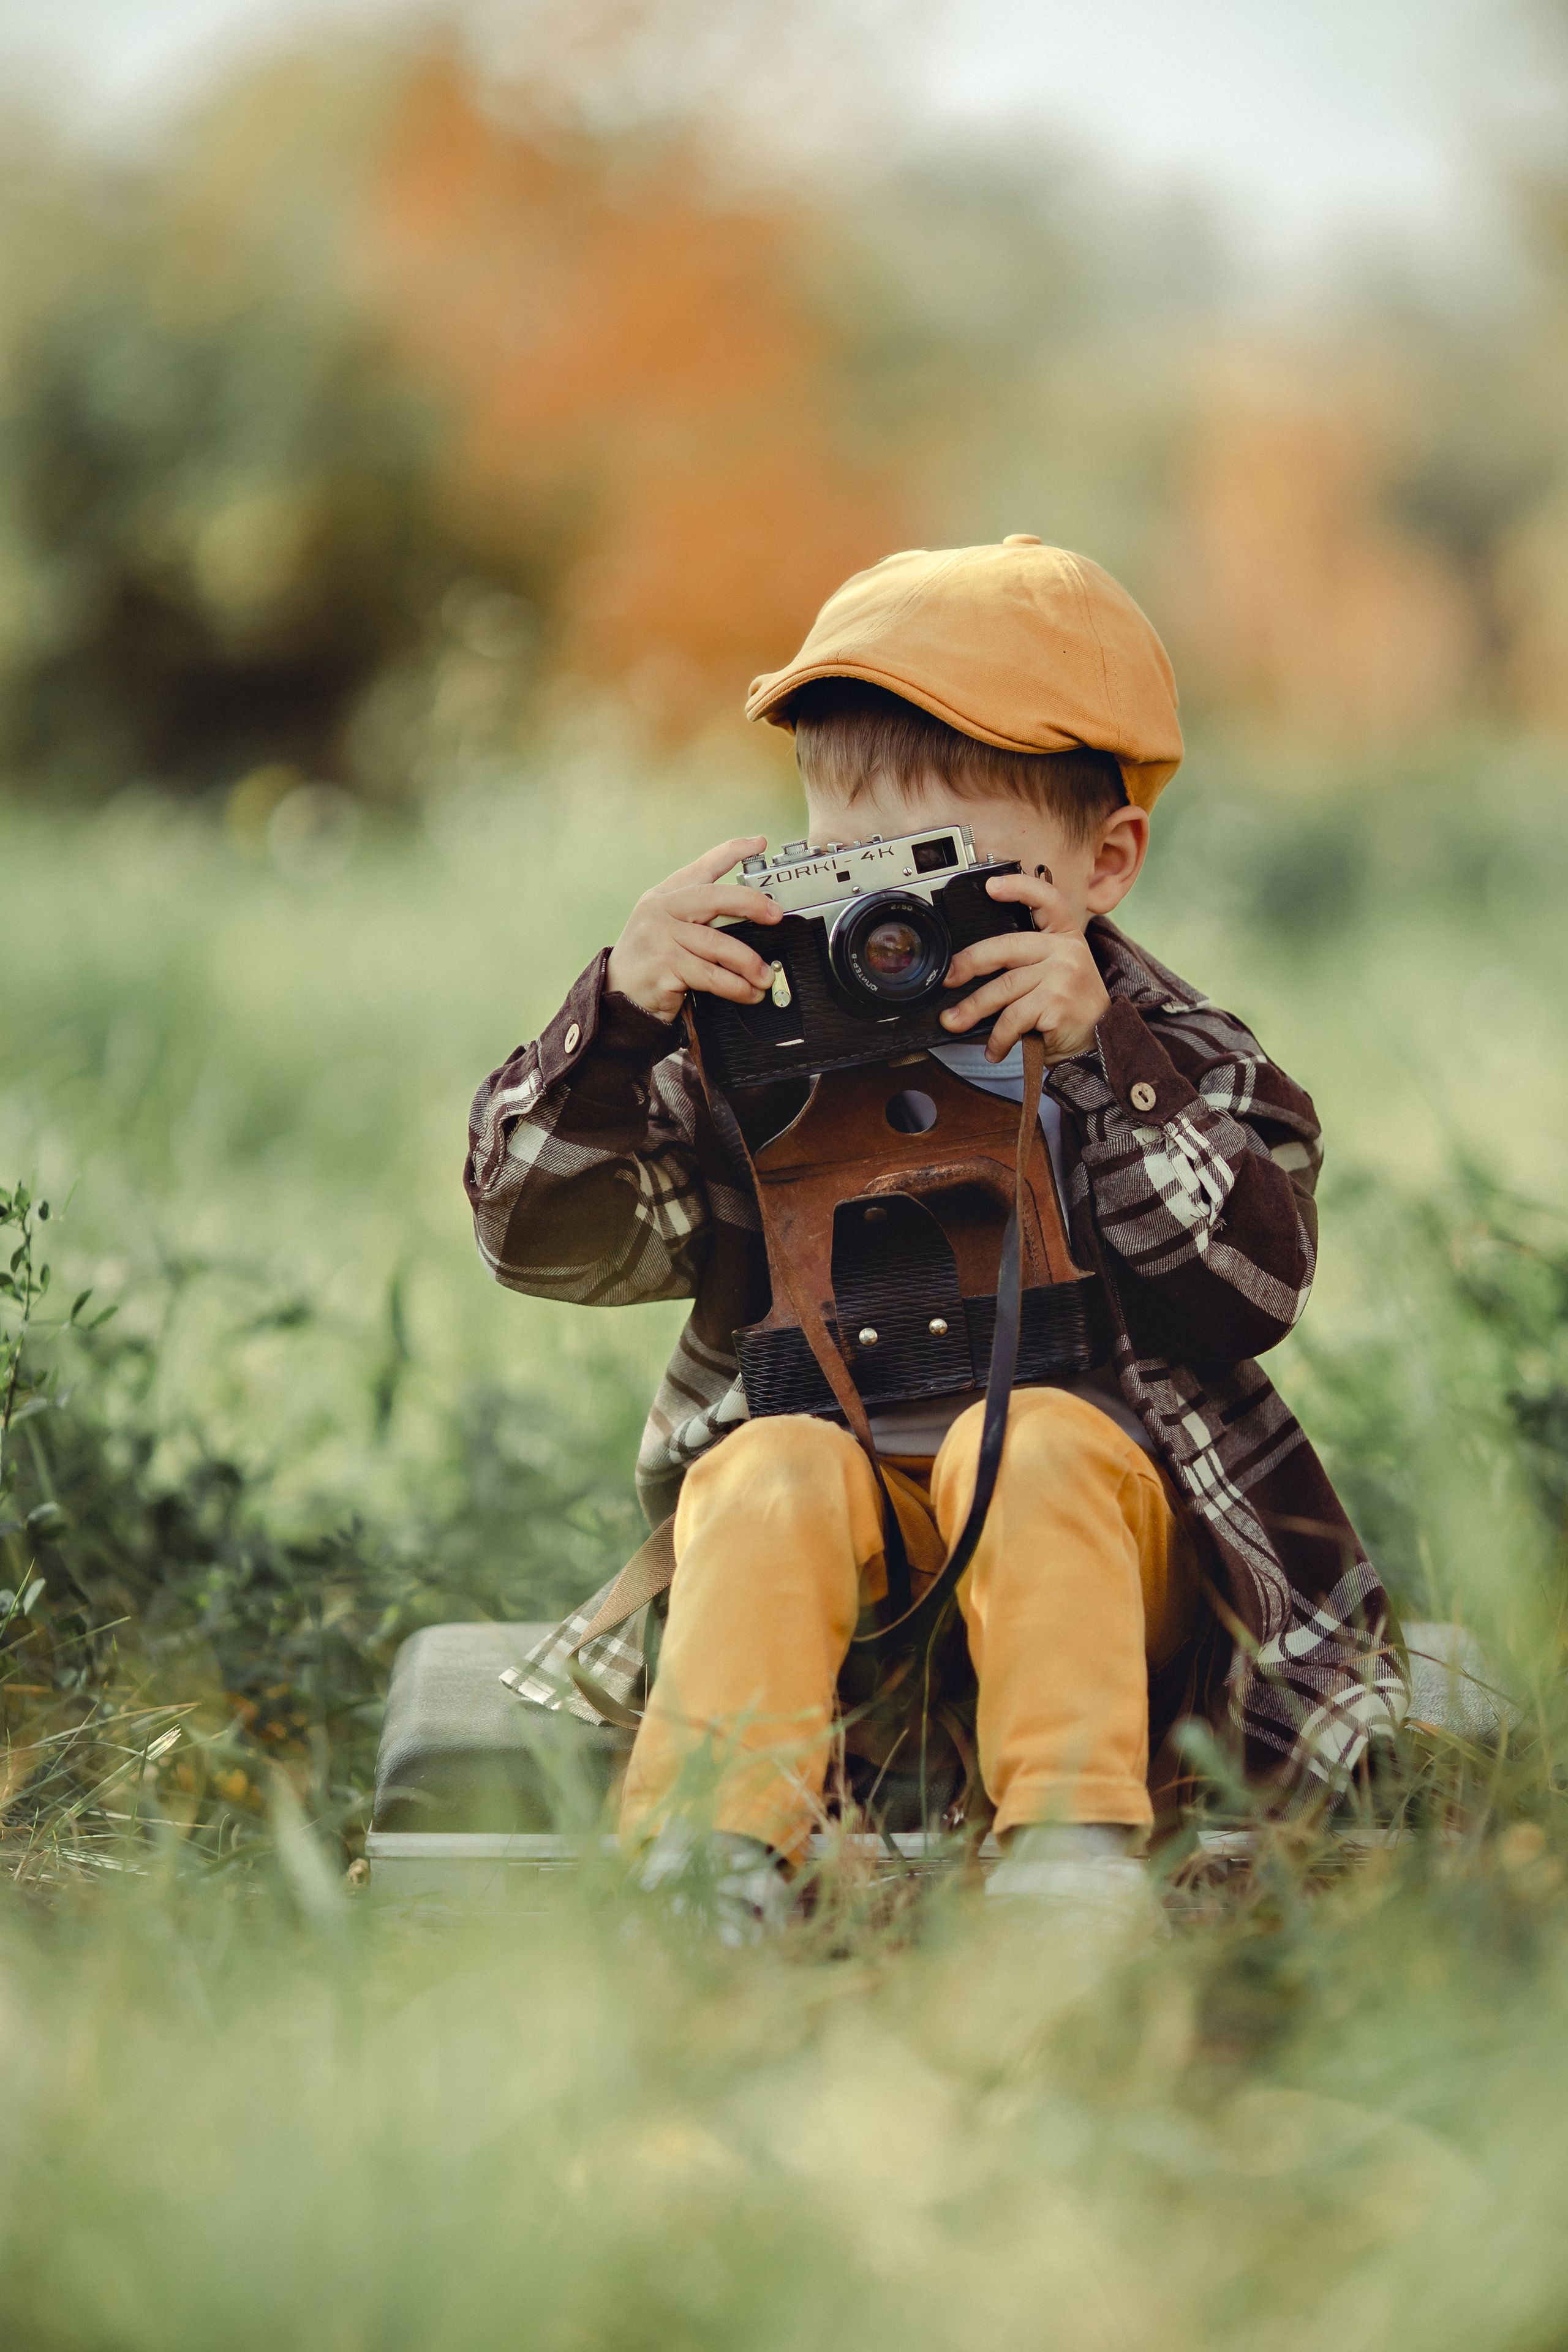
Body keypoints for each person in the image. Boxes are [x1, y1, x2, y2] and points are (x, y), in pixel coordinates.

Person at [466, 538, 1406, 1936]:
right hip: (849, 1637)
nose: (892, 933)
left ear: (1104, 867)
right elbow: (537, 1237)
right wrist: (622, 1015)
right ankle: (707, 1863)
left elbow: (1253, 1285)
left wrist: (1105, 1061)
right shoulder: (756, 1039)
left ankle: (1067, 1868)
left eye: (952, 884)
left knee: (1027, 1441)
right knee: (765, 1462)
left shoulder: (1167, 1052)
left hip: (1113, 1609)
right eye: (851, 874)